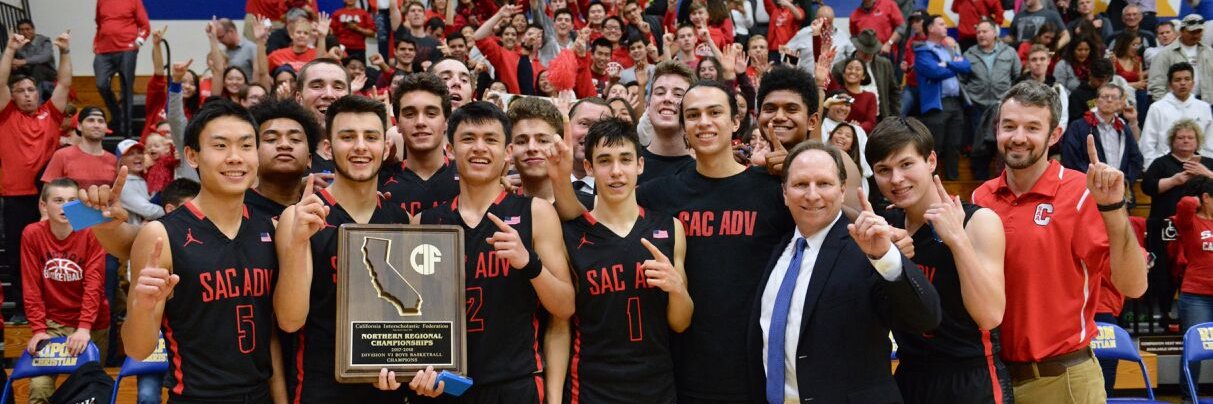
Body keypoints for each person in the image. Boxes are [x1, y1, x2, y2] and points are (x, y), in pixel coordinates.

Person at [972, 81, 1148, 402]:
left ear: (1054, 135)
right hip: (995, 379)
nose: (1018, 137)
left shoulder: (1083, 193)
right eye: (1009, 126)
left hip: (1062, 379)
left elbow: (1134, 286)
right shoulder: (980, 197)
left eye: (1032, 127)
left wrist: (1113, 207)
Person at [387, 101, 574, 401]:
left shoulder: (535, 213)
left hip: (514, 382)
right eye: (468, 139)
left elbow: (565, 307)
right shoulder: (424, 222)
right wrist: (414, 371)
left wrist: (529, 264)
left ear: (508, 153)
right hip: (443, 385)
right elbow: (408, 317)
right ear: (450, 150)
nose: (479, 148)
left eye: (490, 140)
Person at [748, 139, 941, 403]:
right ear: (784, 192)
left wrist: (886, 258)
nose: (812, 194)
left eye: (824, 184)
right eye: (801, 184)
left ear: (841, 190)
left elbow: (925, 318)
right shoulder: (778, 250)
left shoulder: (870, 248)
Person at [121, 100, 280, 403]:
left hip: (261, 395)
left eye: (246, 146)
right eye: (220, 146)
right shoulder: (160, 235)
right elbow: (137, 349)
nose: (235, 158)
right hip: (195, 396)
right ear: (192, 156)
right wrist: (142, 306)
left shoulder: (270, 229)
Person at [543, 117, 691, 403]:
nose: (616, 172)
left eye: (625, 159)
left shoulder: (670, 228)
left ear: (640, 165)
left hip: (656, 386)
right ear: (589, 168)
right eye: (604, 161)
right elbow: (559, 326)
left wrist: (677, 288)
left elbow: (681, 323)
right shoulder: (570, 234)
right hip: (591, 388)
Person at [864, 118, 1009, 403]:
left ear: (931, 160)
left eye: (906, 164)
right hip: (910, 375)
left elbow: (990, 316)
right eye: (884, 170)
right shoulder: (887, 227)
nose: (896, 179)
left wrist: (957, 241)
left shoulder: (978, 221)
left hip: (968, 378)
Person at [274, 95, 408, 403]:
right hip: (321, 386)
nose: (360, 146)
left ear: (385, 148)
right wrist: (296, 243)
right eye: (347, 137)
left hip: (384, 384)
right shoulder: (298, 216)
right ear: (327, 148)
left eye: (371, 137)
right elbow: (290, 320)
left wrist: (406, 366)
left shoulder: (399, 218)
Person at [0, 29, 72, 324]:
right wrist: (9, 49)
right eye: (21, 91)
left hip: (52, 196)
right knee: (18, 256)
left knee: (57, 252)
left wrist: (65, 51)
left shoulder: (50, 114)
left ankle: (58, 305)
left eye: (31, 90)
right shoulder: (6, 114)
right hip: (17, 197)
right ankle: (20, 308)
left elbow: (65, 82)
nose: (27, 95)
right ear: (12, 96)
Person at [22, 178, 112, 404]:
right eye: (58, 200)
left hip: (93, 322)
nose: (66, 207)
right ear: (44, 206)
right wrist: (38, 329)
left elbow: (94, 284)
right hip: (53, 323)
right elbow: (31, 286)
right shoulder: (32, 234)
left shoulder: (92, 231)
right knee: (39, 387)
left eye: (73, 201)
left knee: (90, 390)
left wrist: (83, 328)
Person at [1141, 119, 1213, 348]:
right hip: (1166, 227)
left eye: (1190, 137)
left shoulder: (1208, 162)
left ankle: (1188, 315)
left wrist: (1206, 173)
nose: (1185, 141)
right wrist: (1175, 181)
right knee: (1163, 271)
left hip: (1201, 229)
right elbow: (1147, 187)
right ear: (1172, 140)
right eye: (1180, 137)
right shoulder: (1161, 163)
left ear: (1198, 141)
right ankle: (1164, 315)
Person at [378, 73, 460, 216]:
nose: (420, 122)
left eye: (431, 113)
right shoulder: (379, 183)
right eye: (410, 114)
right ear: (397, 123)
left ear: (446, 121)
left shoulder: (468, 179)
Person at [914, 14, 971, 180]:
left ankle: (954, 184)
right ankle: (931, 187)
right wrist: (955, 66)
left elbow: (967, 66)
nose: (946, 26)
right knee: (935, 148)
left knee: (954, 147)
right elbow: (934, 72)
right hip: (936, 105)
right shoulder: (922, 51)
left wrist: (947, 64)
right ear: (930, 28)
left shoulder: (949, 48)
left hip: (956, 103)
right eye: (941, 23)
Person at [1174, 181, 1213, 403]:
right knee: (1193, 349)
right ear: (1207, 197)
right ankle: (1189, 397)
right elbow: (1184, 206)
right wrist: (1197, 198)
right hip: (1197, 295)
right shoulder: (1192, 223)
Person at [1061, 84, 1144, 186]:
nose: (1109, 100)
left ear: (1120, 103)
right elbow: (1071, 159)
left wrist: (1124, 181)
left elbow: (1136, 159)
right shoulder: (1078, 126)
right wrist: (1096, 180)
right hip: (1089, 187)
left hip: (1120, 189)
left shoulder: (1123, 128)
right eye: (1104, 96)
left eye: (1114, 97)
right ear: (1096, 101)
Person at [1140, 63, 1213, 168]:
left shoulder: (1204, 107)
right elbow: (1147, 143)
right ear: (1170, 84)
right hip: (1165, 166)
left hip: (1198, 166)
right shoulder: (1157, 108)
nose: (1183, 83)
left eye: (1187, 79)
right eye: (1178, 80)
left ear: (1193, 83)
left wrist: (1207, 167)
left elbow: (1210, 142)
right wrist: (1151, 168)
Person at [94, 0, 149, 137]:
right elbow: (99, 23)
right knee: (101, 85)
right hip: (103, 50)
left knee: (126, 89)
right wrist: (96, 43)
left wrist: (139, 42)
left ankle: (126, 131)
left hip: (126, 49)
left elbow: (145, 26)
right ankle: (117, 115)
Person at [637, 61, 695, 184]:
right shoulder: (628, 166)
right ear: (648, 104)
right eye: (660, 93)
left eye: (678, 94)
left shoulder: (707, 169)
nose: (667, 98)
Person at [41, 106, 118, 189]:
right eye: (90, 120)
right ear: (79, 126)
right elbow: (47, 193)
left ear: (106, 127)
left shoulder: (114, 160)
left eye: (101, 121)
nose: (96, 125)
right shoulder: (61, 155)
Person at [506, 97, 565, 202]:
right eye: (521, 142)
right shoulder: (496, 206)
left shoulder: (587, 206)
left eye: (543, 141)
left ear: (560, 145)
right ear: (509, 149)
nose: (531, 148)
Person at [1147, 15, 1213, 102]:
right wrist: (1163, 106)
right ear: (1181, 31)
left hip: (1206, 102)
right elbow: (1156, 84)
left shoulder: (1209, 52)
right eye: (1192, 32)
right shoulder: (1165, 54)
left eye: (1199, 31)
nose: (1195, 35)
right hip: (1175, 103)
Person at [115, 139, 165, 225]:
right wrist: (174, 210)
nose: (137, 156)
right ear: (121, 161)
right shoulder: (123, 184)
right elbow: (149, 211)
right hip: (136, 236)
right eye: (131, 154)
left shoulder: (149, 176)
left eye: (140, 152)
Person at [11, 19, 55, 91]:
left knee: (38, 68)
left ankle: (34, 94)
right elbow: (5, 57)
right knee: (8, 69)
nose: (25, 32)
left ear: (33, 29)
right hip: (27, 71)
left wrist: (24, 61)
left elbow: (46, 57)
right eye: (21, 30)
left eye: (28, 29)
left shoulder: (44, 40)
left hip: (47, 71)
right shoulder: (18, 42)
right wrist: (11, 64)